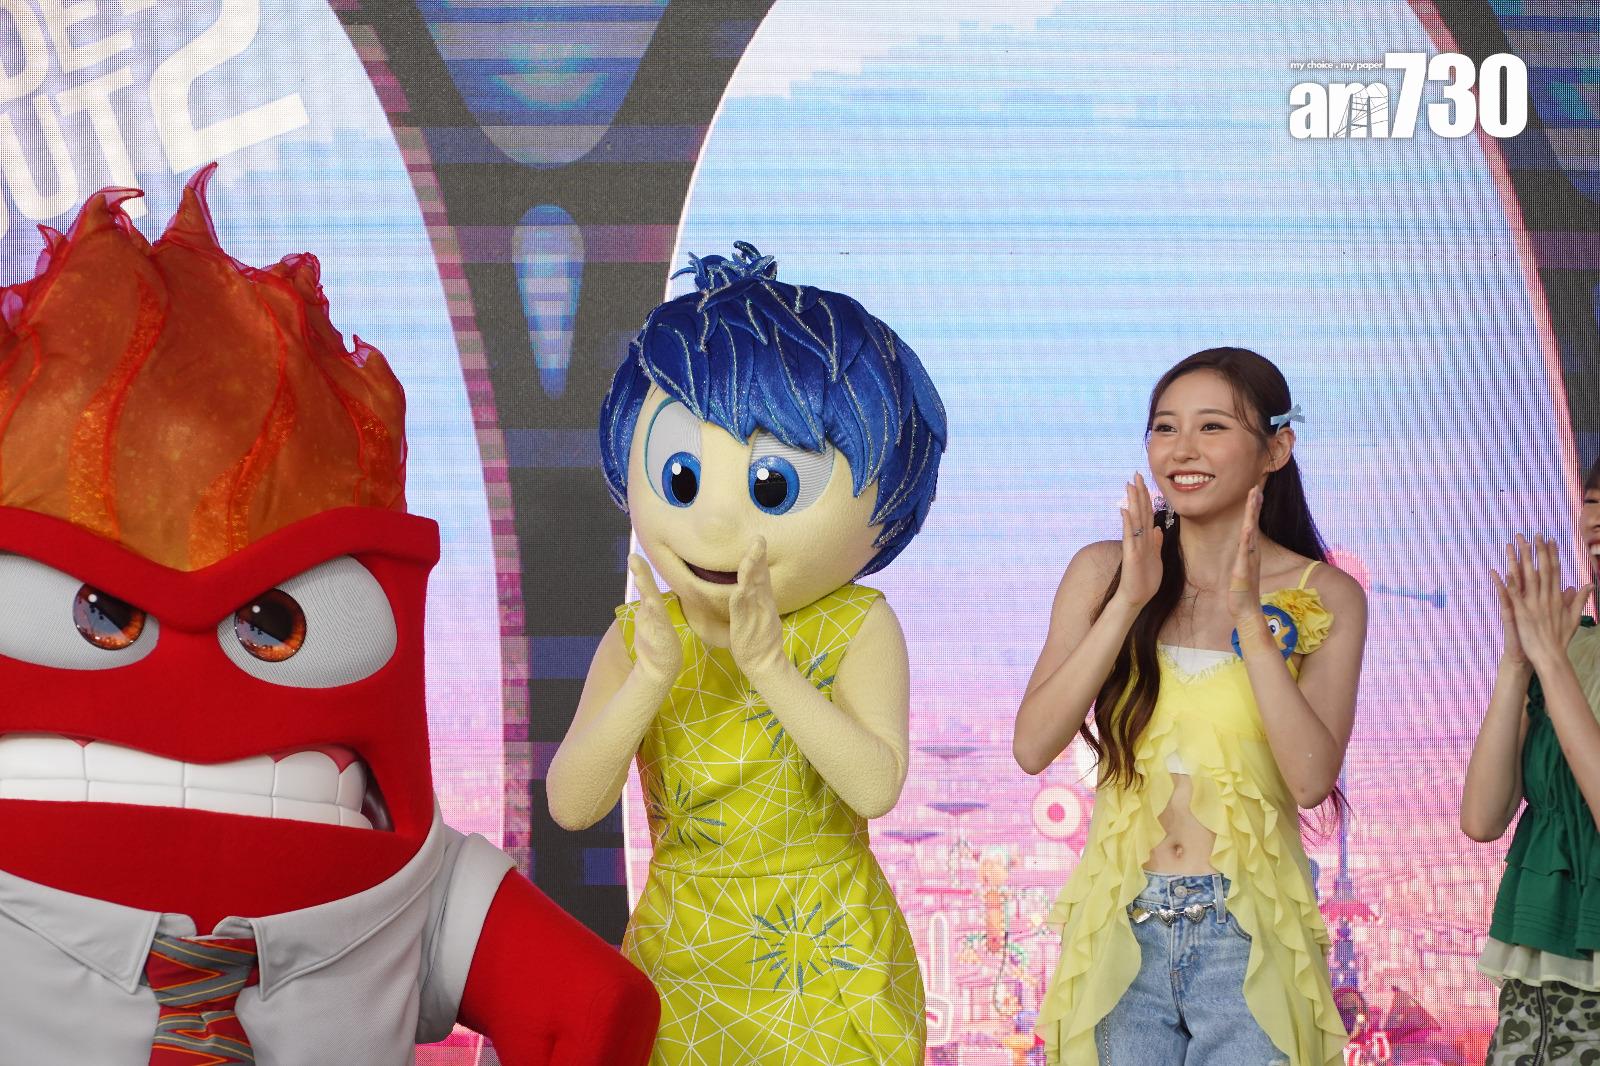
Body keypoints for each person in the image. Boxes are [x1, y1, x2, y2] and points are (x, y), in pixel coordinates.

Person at [0, 170, 658, 1062]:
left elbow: (586, 1007)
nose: (195, 666)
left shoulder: (424, 888)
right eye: (105, 614)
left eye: (272, 623)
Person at [548, 244, 947, 1065]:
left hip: (827, 961)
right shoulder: (642, 632)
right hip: (683, 959)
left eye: (772, 486)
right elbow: (572, 805)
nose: (715, 525)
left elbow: (875, 785)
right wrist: (648, 679)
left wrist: (772, 670)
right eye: (683, 478)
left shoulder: (856, 624)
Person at [1015, 347, 1365, 1064]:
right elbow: (1033, 746)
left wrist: (1251, 623)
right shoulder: (1101, 570)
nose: (1181, 450)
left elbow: (1310, 779)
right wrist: (1128, 602)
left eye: (1212, 427)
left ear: (1276, 449)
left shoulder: (1325, 595)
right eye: (1165, 428)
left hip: (1250, 931)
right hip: (1120, 925)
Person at [1462, 466, 1600, 1064]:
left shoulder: (1559, 656)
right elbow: (1482, 818)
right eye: (1592, 503)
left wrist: (1552, 662)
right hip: (1538, 966)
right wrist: (1519, 662)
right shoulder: (1566, 645)